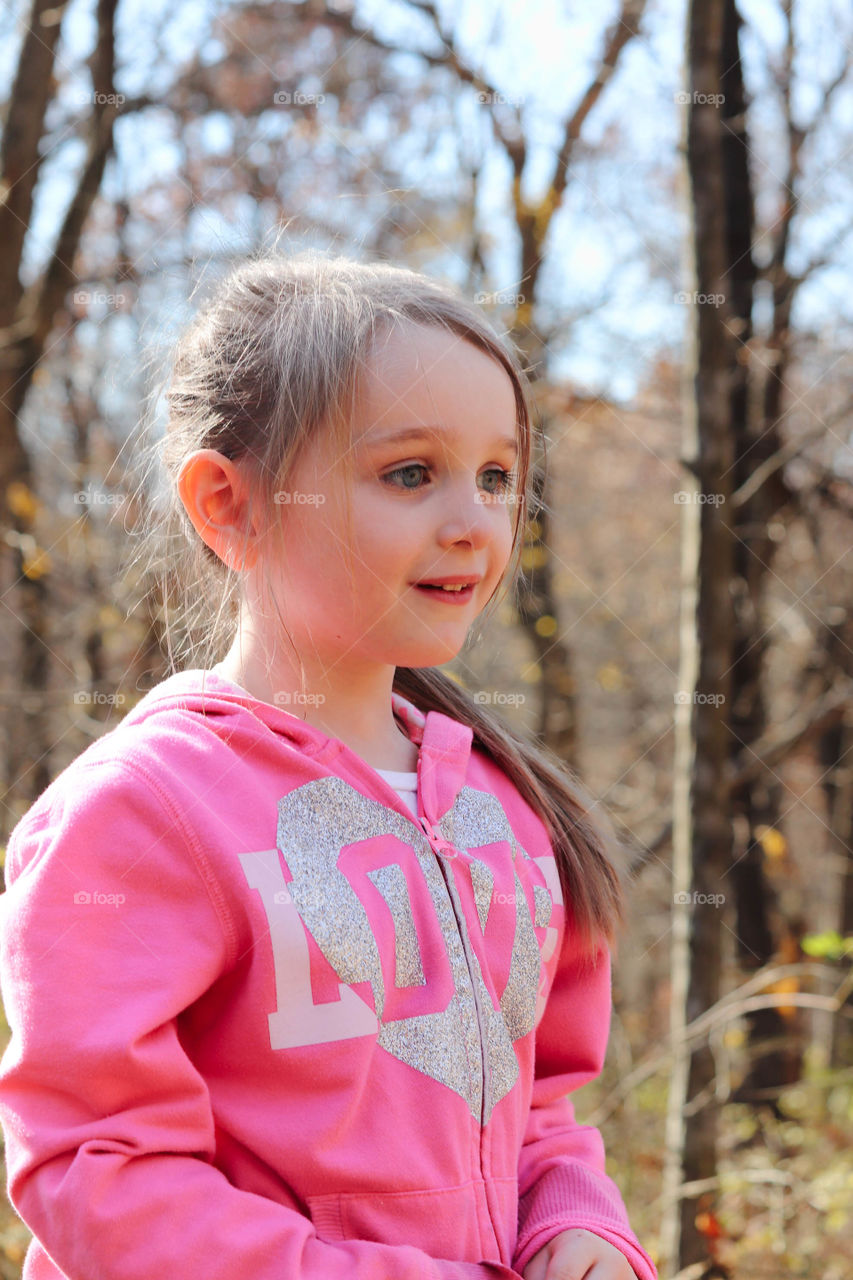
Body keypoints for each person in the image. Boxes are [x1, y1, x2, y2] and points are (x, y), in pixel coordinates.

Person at [0, 249, 658, 1280]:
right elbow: (99, 1171)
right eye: (410, 472)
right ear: (229, 502)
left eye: (496, 476)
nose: (471, 521)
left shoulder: (504, 810)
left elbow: (538, 1109)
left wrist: (578, 1228)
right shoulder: (144, 810)